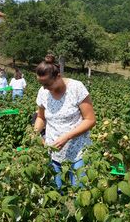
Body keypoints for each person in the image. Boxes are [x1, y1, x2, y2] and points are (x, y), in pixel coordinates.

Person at [33, 56, 96, 189]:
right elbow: (41, 117)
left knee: (80, 189)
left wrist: (67, 137)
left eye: (47, 84)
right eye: (41, 85)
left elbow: (90, 120)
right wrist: (35, 135)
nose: (44, 88)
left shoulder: (76, 88)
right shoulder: (43, 92)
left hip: (78, 149)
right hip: (53, 150)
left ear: (58, 76)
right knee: (55, 190)